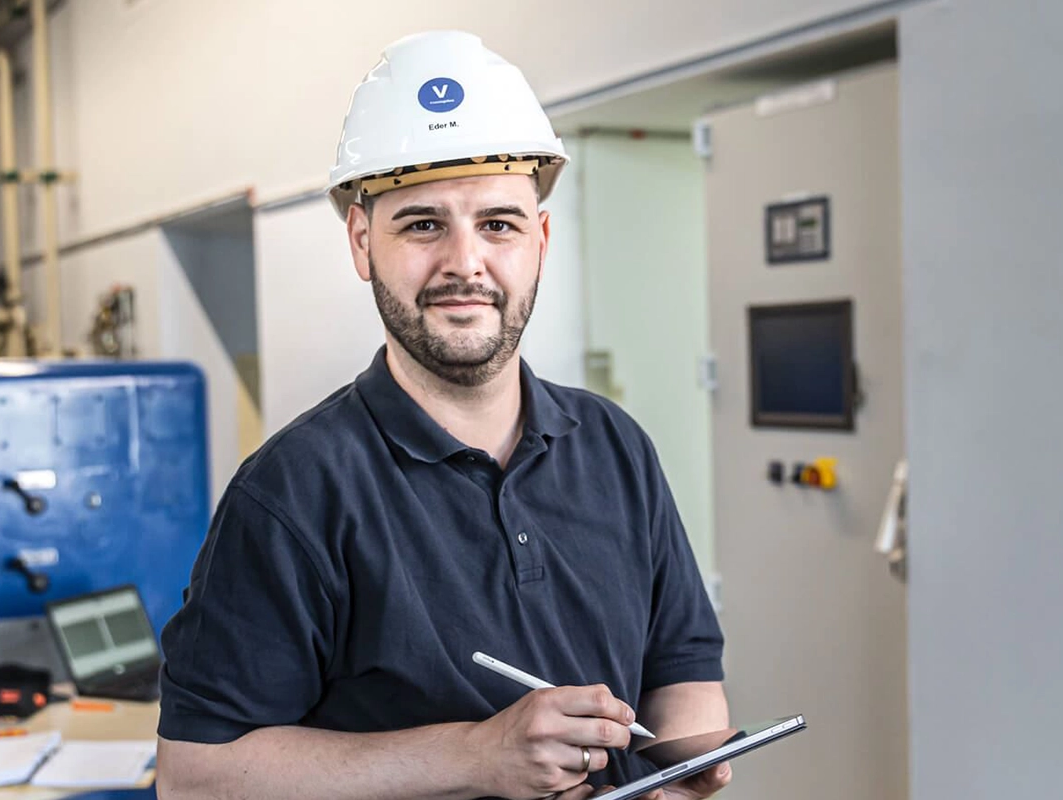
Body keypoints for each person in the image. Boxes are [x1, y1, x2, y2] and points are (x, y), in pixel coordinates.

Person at [155, 30, 731, 800]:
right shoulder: (293, 490)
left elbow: (682, 669)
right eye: (423, 224)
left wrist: (680, 774)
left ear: (540, 240)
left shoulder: (615, 445)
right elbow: (195, 778)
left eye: (497, 224)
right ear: (362, 243)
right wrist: (477, 754)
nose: (465, 262)